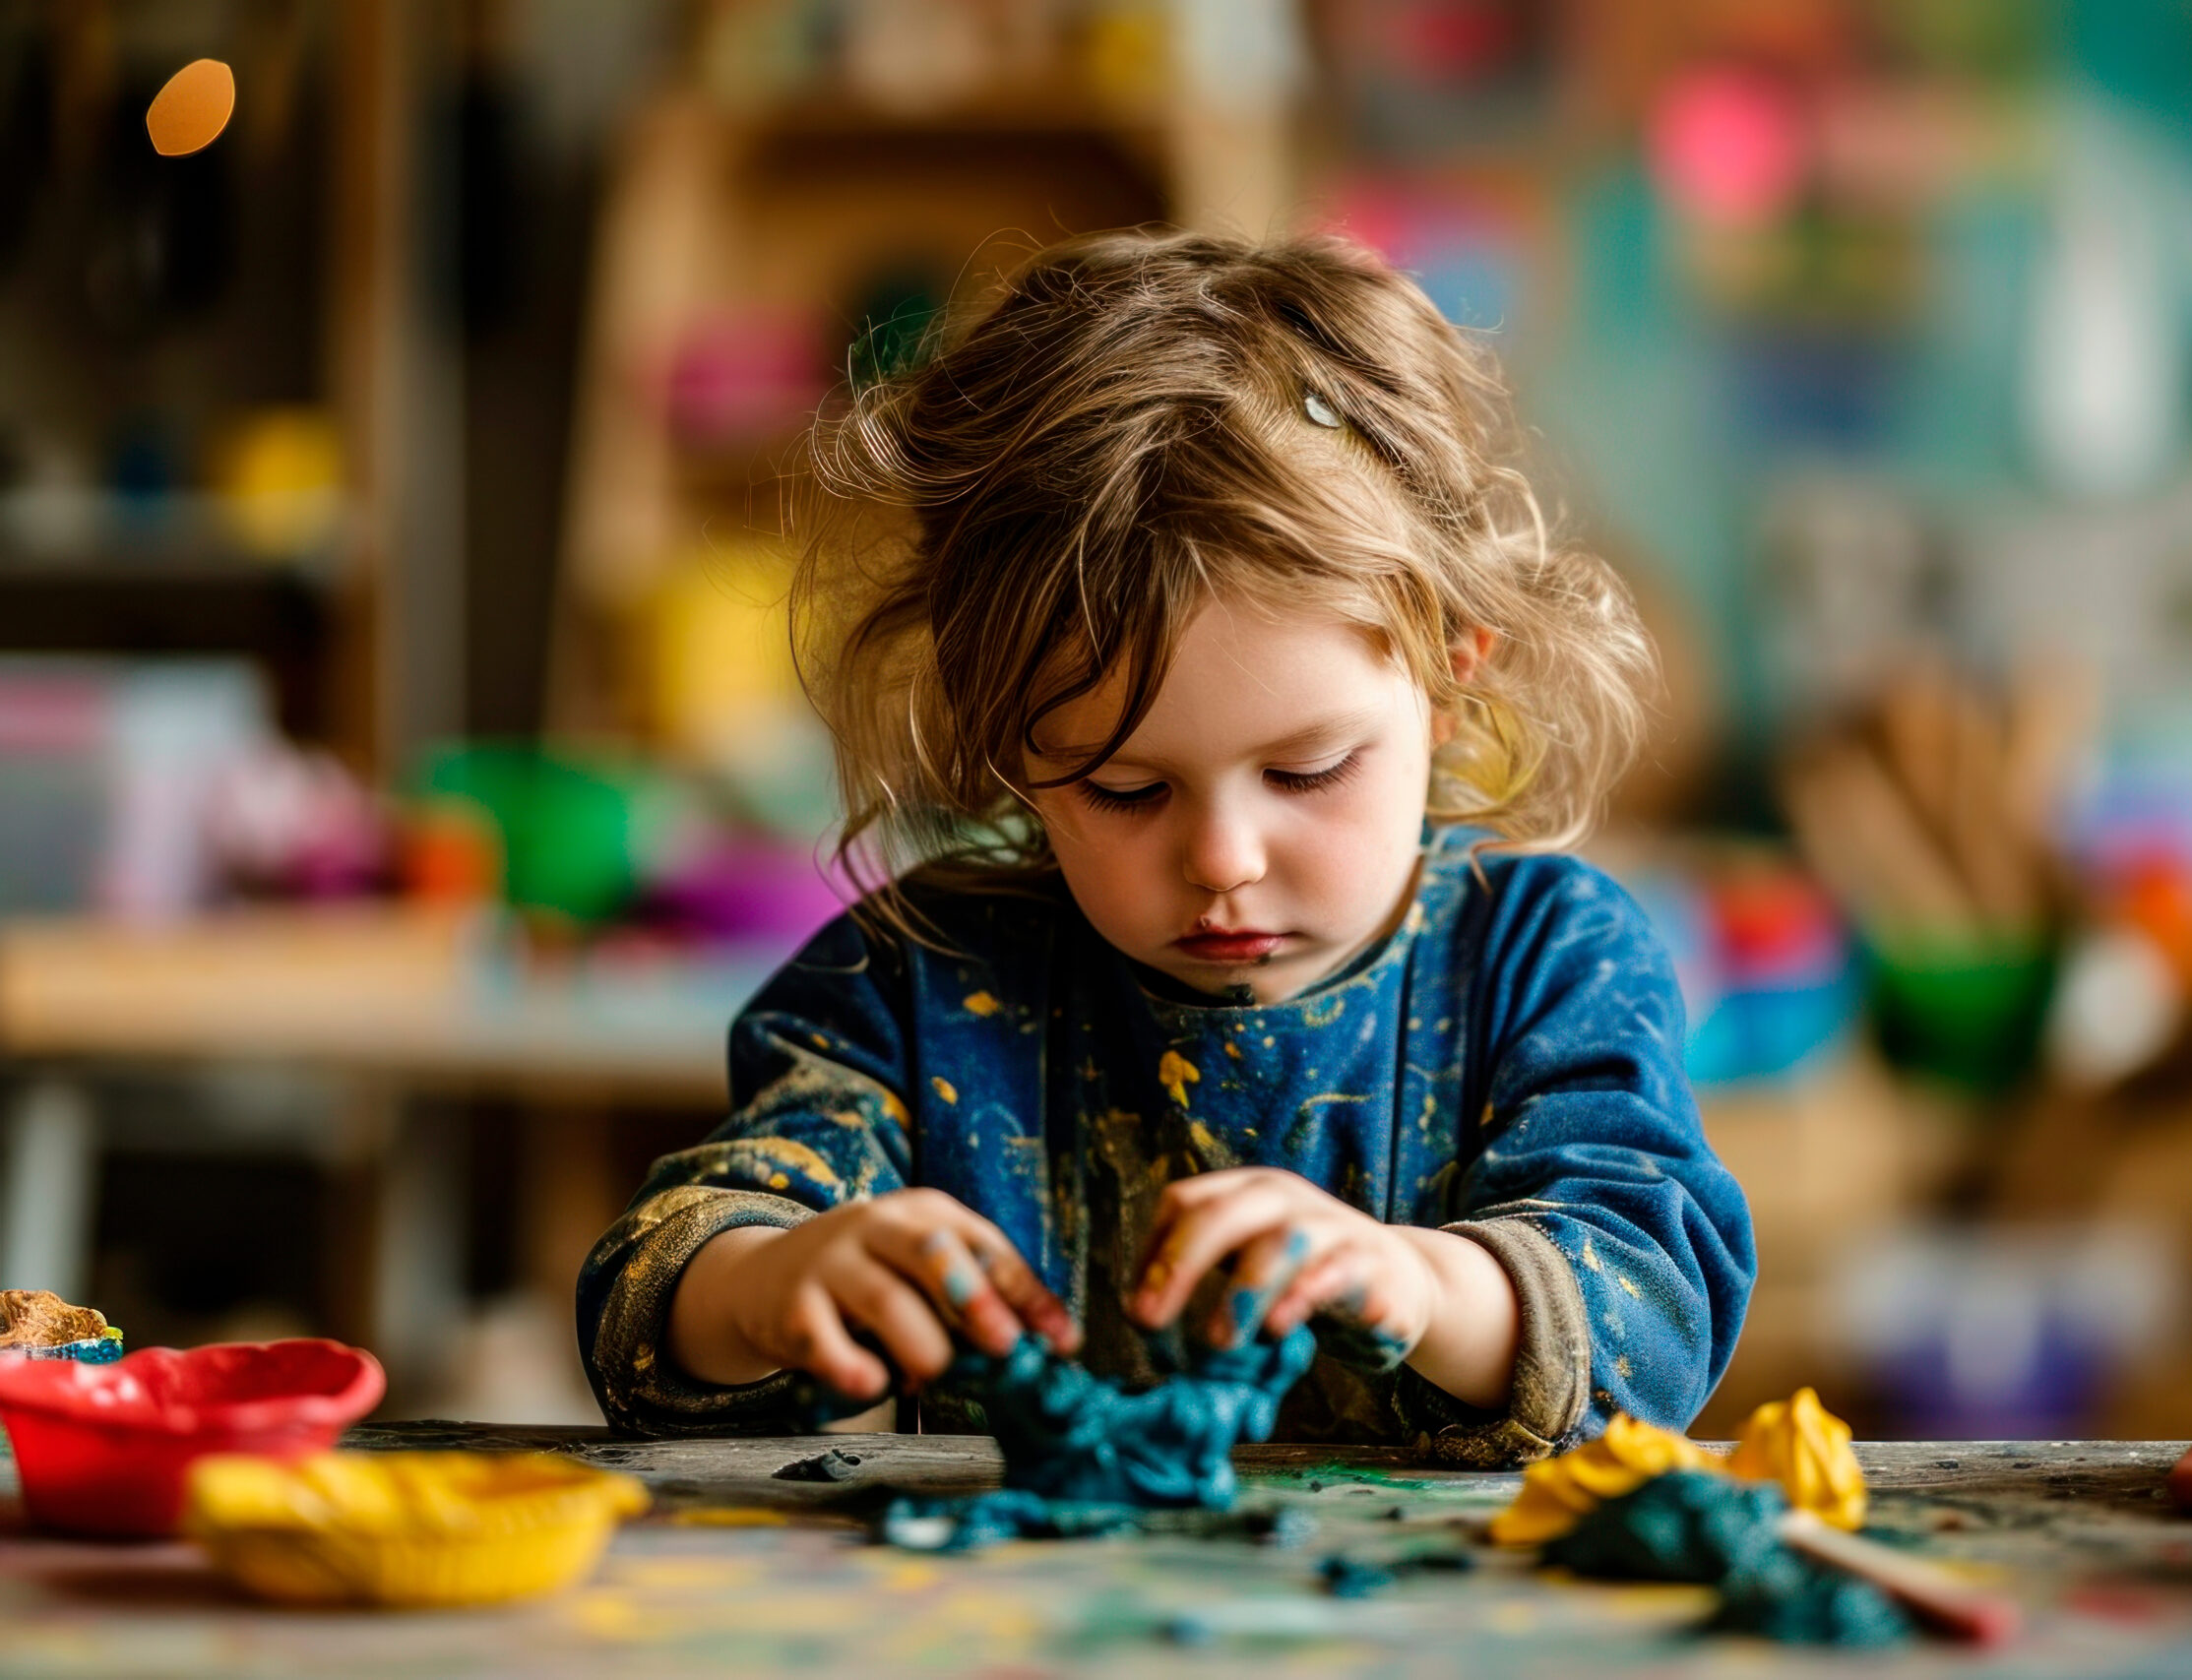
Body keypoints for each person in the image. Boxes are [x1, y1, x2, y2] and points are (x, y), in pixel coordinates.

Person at [576, 228, 1754, 1464]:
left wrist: (1420, 1286)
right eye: (1123, 788)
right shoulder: (918, 983)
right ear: (1003, 743)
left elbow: (1651, 1327)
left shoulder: (1546, 962)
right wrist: (763, 1284)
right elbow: (647, 1321)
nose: (1224, 858)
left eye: (1305, 771)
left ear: (1451, 678)